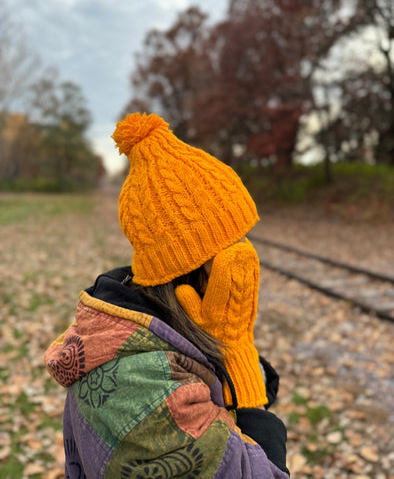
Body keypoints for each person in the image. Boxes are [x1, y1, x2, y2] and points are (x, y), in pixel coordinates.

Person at [44, 112, 289, 478]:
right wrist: (236, 349)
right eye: (233, 245)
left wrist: (231, 348)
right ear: (190, 269)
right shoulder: (146, 395)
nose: (247, 259)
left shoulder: (157, 340)